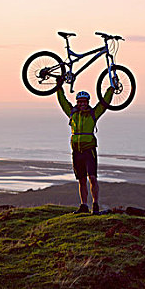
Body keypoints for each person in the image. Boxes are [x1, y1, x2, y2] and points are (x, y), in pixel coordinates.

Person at [56, 82, 114, 215]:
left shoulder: (94, 113)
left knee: (92, 178)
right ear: (77, 102)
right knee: (81, 179)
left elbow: (104, 103)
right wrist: (58, 87)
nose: (82, 104)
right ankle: (83, 205)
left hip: (89, 150)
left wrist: (111, 89)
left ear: (88, 102)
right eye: (80, 102)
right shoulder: (72, 113)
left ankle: (95, 205)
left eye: (84, 101)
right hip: (76, 150)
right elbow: (62, 101)